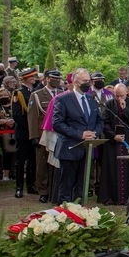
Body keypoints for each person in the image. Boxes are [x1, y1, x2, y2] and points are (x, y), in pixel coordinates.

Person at [52, 68, 104, 203]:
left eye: (89, 81)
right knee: (67, 185)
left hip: (87, 150)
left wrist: (95, 133)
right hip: (70, 148)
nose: (88, 84)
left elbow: (99, 120)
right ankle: (65, 212)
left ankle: (80, 210)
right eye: (85, 81)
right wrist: (80, 134)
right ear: (75, 82)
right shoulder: (63, 99)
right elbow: (57, 123)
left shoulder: (91, 99)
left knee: (82, 185)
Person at [98, 84, 129, 205]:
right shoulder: (109, 103)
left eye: (121, 95)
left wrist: (125, 109)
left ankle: (126, 197)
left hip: (127, 141)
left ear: (127, 92)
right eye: (117, 96)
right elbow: (104, 122)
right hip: (113, 142)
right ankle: (110, 197)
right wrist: (113, 136)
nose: (119, 98)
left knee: (127, 170)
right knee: (111, 169)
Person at [28, 69, 64, 203]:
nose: (56, 81)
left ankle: (53, 189)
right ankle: (43, 190)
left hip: (59, 134)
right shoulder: (37, 95)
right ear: (47, 79)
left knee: (55, 163)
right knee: (42, 164)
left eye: (58, 78)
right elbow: (32, 117)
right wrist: (34, 136)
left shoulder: (62, 94)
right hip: (43, 134)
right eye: (54, 78)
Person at [12, 68, 39, 198]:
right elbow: (17, 115)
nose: (34, 78)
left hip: (33, 133)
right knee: (20, 161)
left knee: (32, 161)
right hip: (23, 133)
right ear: (26, 78)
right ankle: (19, 187)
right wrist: (29, 129)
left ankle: (31, 185)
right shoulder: (19, 93)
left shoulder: (35, 92)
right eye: (32, 76)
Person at [0, 88, 17, 184]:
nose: (4, 97)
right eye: (1, 96)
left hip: (11, 135)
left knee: (9, 154)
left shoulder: (14, 106)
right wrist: (5, 122)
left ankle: (7, 173)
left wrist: (12, 121)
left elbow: (17, 116)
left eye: (5, 95)